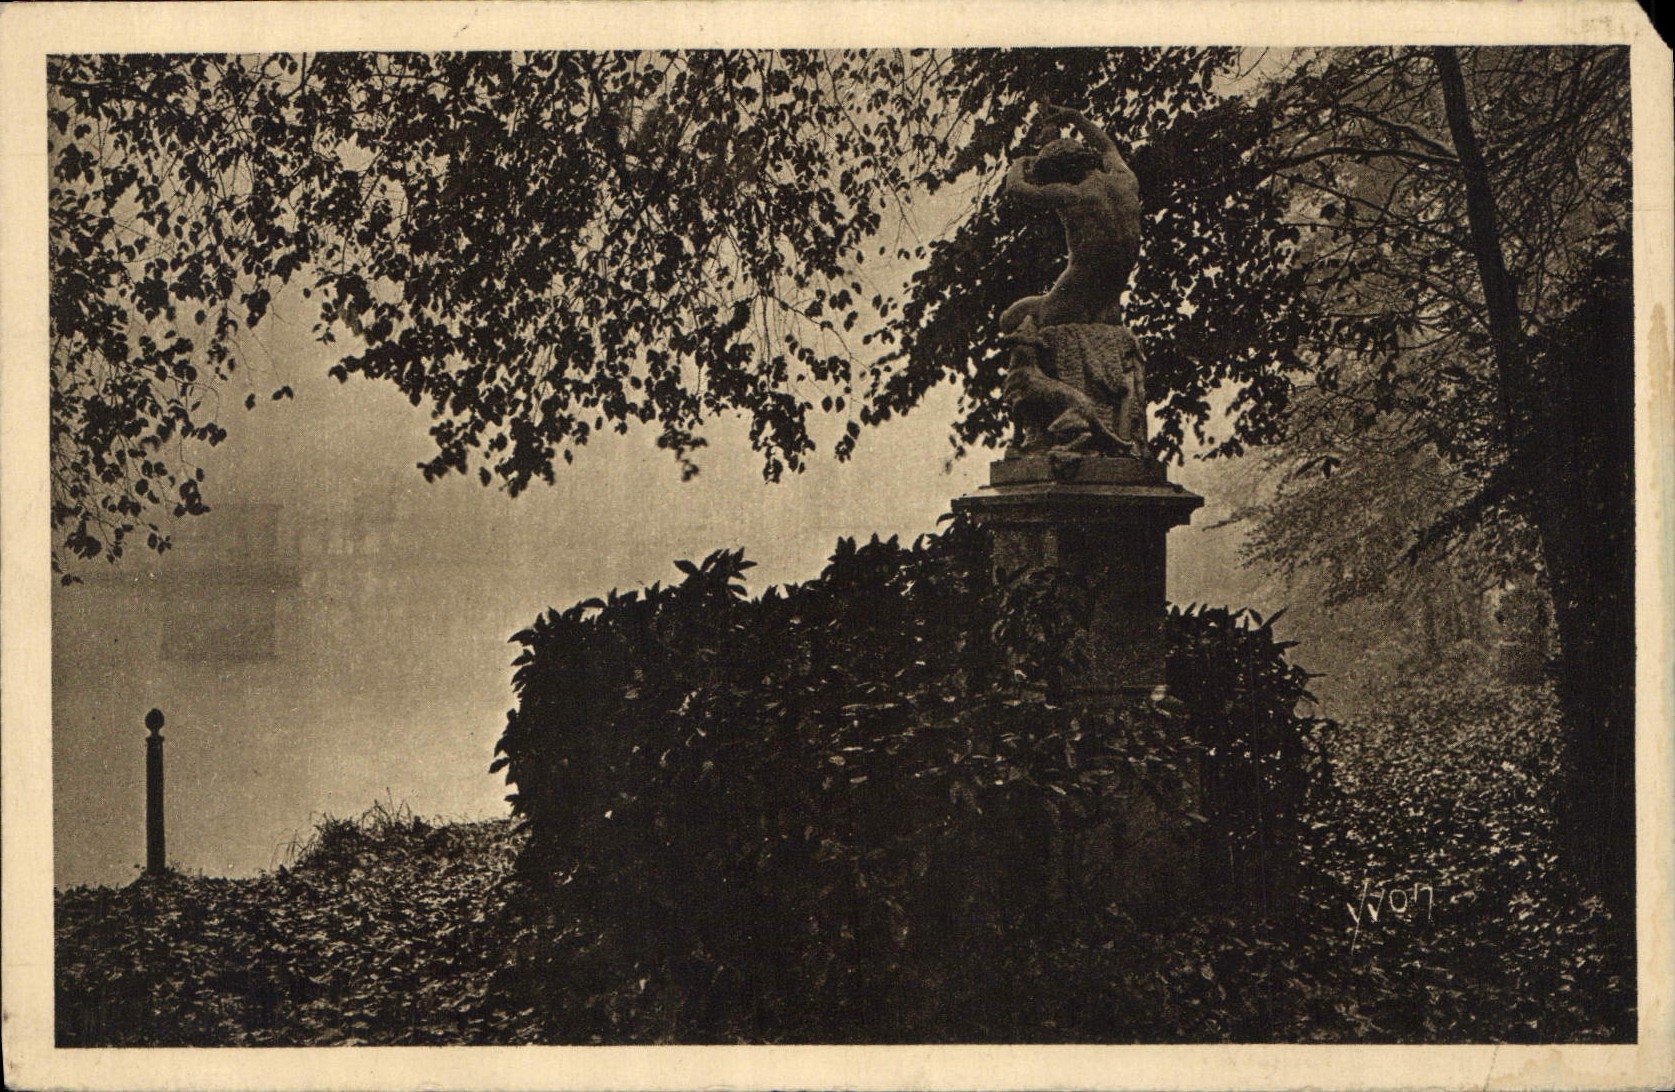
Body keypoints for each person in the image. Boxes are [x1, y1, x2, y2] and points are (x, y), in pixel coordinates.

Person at [1000, 104, 1142, 333]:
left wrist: (1021, 162)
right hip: (1110, 304)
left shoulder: (1073, 194)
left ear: (1060, 172)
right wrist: (1077, 118)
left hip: (1073, 299)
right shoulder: (1126, 180)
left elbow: (1016, 189)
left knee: (1009, 319)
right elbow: (1107, 147)